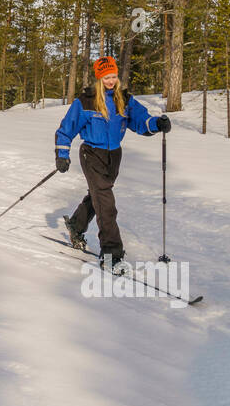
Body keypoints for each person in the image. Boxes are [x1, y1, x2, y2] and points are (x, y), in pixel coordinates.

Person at [55, 54, 171, 269]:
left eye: (114, 76)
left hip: (114, 156)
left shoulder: (125, 99)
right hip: (91, 154)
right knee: (106, 205)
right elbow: (66, 129)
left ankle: (76, 225)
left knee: (98, 197)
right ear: (99, 78)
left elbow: (141, 121)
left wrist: (157, 123)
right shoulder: (86, 101)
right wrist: (62, 154)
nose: (111, 80)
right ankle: (111, 254)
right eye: (106, 77)